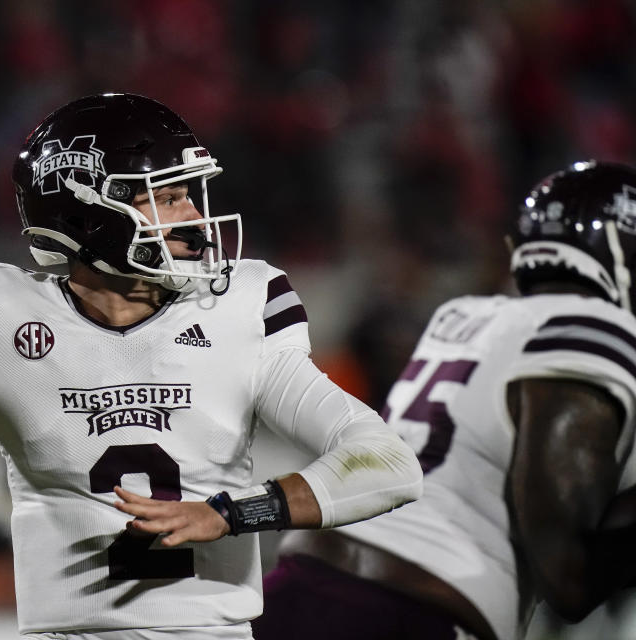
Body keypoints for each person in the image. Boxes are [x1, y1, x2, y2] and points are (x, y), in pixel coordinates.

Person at [0, 93, 423, 639]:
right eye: (164, 196)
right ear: (86, 214)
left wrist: (234, 511)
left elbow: (388, 463)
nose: (195, 216)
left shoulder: (241, 311)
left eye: (190, 193)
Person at [253, 160, 636, 640]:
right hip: (409, 610)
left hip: (300, 585)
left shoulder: (464, 315)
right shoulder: (592, 331)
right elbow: (566, 576)